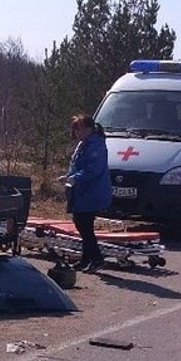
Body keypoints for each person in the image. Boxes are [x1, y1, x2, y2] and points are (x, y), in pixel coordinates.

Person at [61, 113, 113, 272]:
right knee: (82, 224)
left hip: (92, 192)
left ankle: (97, 259)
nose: (78, 133)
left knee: (84, 225)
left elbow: (93, 170)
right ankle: (85, 259)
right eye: (76, 130)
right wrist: (69, 177)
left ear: (90, 129)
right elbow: (77, 165)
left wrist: (74, 178)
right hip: (82, 192)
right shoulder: (83, 144)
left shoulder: (95, 145)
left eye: (80, 129)